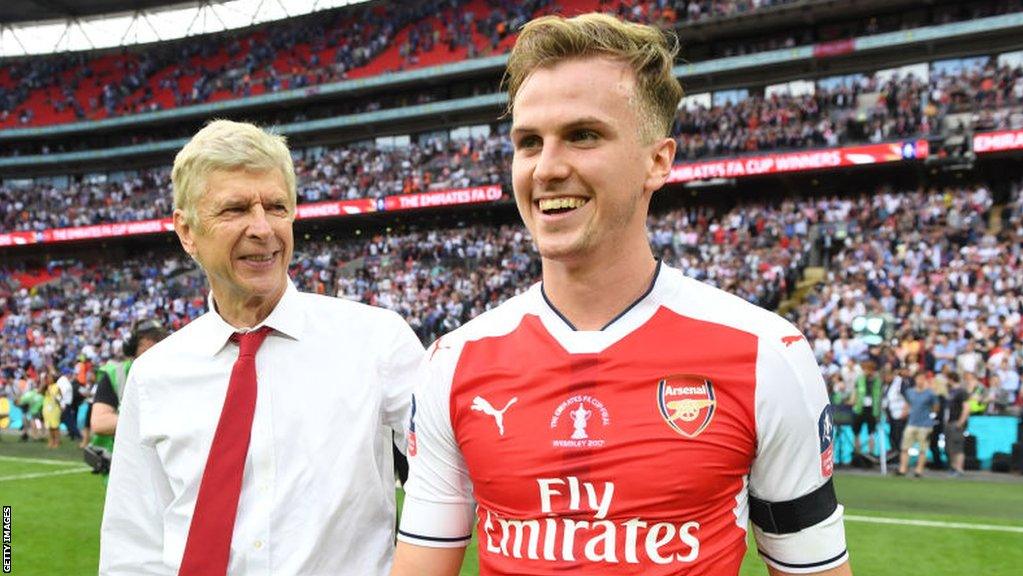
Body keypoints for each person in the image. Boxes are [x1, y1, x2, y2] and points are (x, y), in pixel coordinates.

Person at [392, 13, 850, 576]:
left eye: (583, 135)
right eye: (529, 142)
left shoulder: (766, 355)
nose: (548, 168)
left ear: (658, 161)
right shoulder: (454, 362)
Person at [100, 120, 424, 575]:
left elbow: (450, 480)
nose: (262, 228)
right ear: (187, 231)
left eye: (276, 206)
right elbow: (133, 546)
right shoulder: (154, 374)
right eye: (235, 209)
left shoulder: (377, 341)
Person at [86, 319, 168, 474]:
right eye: (151, 340)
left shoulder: (174, 373)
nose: (158, 345)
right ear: (133, 347)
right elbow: (100, 422)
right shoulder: (116, 375)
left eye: (160, 339)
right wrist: (157, 419)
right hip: (127, 470)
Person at [897, 372, 937, 477]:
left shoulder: (930, 393)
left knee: (923, 449)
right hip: (911, 422)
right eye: (918, 378)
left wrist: (931, 416)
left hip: (925, 424)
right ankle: (903, 469)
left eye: (922, 378)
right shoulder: (910, 392)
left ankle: (919, 470)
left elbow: (936, 407)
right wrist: (904, 412)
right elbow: (907, 403)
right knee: (905, 447)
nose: (920, 381)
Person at [945, 372, 974, 477]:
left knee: (957, 446)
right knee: (950, 447)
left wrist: (960, 422)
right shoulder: (950, 391)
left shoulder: (961, 391)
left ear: (951, 379)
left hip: (956, 422)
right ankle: (953, 467)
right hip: (949, 422)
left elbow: (967, 407)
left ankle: (959, 468)